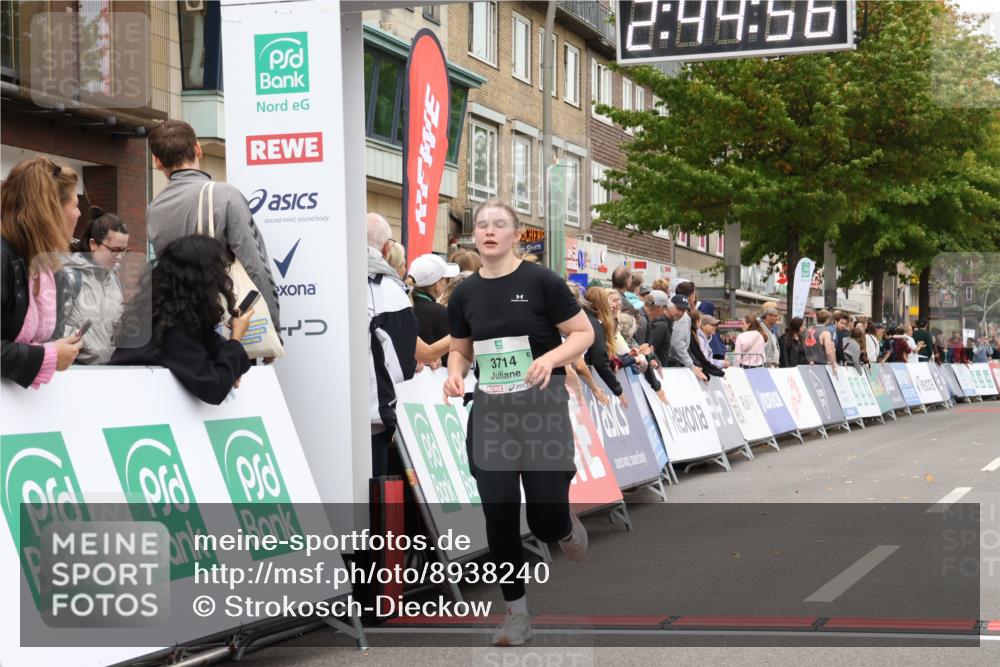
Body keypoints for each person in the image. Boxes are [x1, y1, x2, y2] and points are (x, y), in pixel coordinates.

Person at [443, 199, 594, 646]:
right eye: (483, 225)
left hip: (541, 410)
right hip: (491, 413)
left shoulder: (541, 281)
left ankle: (563, 526)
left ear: (516, 233)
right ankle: (517, 614)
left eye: (500, 224)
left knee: (545, 521)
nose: (489, 231)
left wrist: (549, 358)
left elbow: (584, 333)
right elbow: (461, 347)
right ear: (476, 235)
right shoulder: (465, 293)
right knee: (500, 512)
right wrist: (454, 373)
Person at [145, 119, 281, 336]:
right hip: (224, 320)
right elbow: (254, 264)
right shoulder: (224, 196)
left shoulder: (154, 209)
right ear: (197, 149)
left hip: (177, 325)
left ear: (158, 161)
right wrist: (272, 326)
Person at [110, 236, 252, 404]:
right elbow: (214, 389)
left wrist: (231, 366)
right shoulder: (173, 327)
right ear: (204, 280)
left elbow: (213, 349)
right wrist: (236, 338)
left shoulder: (161, 315)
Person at [2, 157, 84, 388]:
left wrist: (55, 351)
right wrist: (47, 357)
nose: (79, 214)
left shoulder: (41, 264)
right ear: (50, 211)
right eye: (75, 205)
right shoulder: (4, 257)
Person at [366, 213, 419, 477]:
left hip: (315, 416)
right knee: (374, 511)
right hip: (374, 421)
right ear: (387, 249)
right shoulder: (389, 292)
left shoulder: (324, 280)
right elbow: (403, 365)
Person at [60, 208, 129, 364]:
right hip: (74, 370)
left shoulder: (113, 278)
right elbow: (51, 329)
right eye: (114, 250)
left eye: (124, 250)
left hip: (107, 371)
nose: (119, 257)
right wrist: (84, 343)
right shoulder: (69, 275)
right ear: (93, 244)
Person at [408, 254, 459, 367]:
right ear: (437, 284)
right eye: (447, 279)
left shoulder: (400, 309)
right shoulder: (443, 313)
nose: (448, 282)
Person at [583, 286, 628, 405]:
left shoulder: (586, 318)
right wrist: (618, 389)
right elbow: (600, 360)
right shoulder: (594, 323)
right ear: (602, 303)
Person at [665, 293, 708, 381]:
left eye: (683, 310)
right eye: (679, 309)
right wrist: (692, 366)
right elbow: (678, 345)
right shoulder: (679, 320)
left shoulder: (677, 320)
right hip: (668, 366)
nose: (681, 313)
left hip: (667, 365)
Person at [803, 309, 839, 374]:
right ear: (827, 320)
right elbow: (829, 352)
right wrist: (833, 365)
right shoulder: (825, 332)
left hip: (807, 364)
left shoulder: (807, 330)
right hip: (820, 365)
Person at [689, 310, 724, 377]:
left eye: (716, 325)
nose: (715, 327)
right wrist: (721, 363)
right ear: (703, 326)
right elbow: (704, 361)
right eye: (712, 325)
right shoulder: (700, 340)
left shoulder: (704, 340)